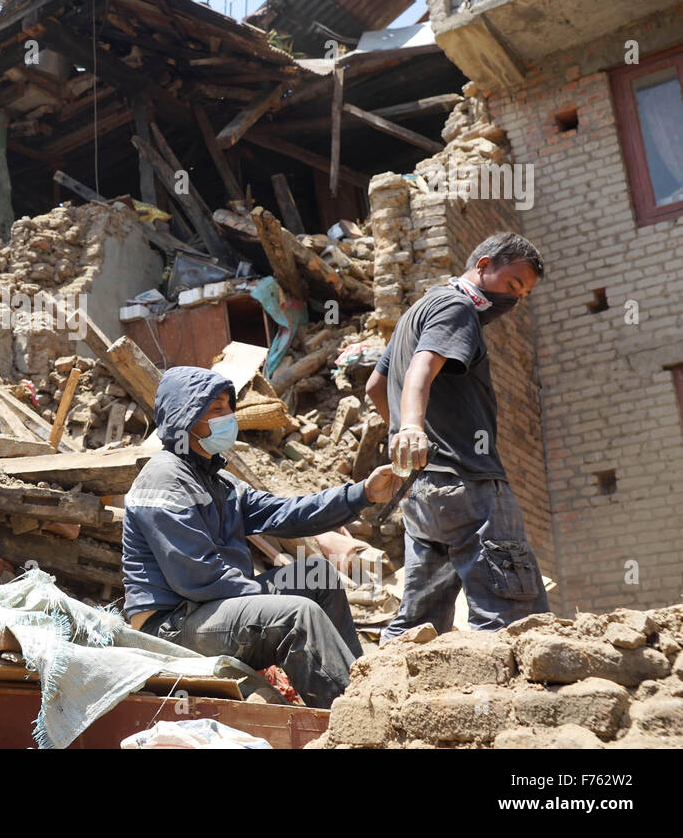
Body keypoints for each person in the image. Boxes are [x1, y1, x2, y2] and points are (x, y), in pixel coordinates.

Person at [123, 365, 397, 708]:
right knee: (297, 614)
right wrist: (268, 598)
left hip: (211, 607)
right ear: (185, 418)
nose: (229, 417)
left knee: (318, 577)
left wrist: (363, 494)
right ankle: (354, 716)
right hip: (172, 624)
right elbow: (199, 577)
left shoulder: (216, 480)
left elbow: (287, 513)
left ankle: (356, 683)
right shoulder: (164, 479)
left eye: (229, 408)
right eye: (216, 409)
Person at [366, 232, 550, 644]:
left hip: (423, 491)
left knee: (419, 623)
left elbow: (376, 387)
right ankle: (512, 704)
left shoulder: (419, 308)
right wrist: (413, 429)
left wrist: (412, 443)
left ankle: (383, 695)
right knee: (512, 617)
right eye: (512, 285)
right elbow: (421, 369)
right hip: (467, 480)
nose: (514, 300)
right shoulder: (456, 306)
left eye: (523, 294)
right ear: (483, 265)